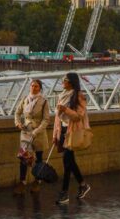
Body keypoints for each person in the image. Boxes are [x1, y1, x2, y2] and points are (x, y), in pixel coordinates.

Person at [53, 72, 91, 204]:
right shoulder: (61, 96)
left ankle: (64, 193)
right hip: (62, 131)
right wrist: (55, 135)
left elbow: (78, 116)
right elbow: (57, 119)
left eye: (65, 80)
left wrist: (65, 109)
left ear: (71, 82)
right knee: (70, 162)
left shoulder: (79, 96)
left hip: (72, 132)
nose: (62, 82)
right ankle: (82, 185)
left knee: (66, 162)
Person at [14, 79, 51, 193]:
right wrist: (17, 123)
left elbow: (46, 119)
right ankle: (22, 182)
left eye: (36, 86)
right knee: (24, 158)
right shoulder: (25, 99)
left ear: (40, 88)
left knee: (39, 159)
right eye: (32, 86)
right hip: (26, 132)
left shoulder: (44, 101)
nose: (33, 88)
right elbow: (17, 112)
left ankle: (37, 182)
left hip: (38, 133)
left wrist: (37, 131)